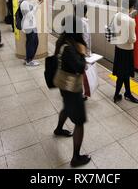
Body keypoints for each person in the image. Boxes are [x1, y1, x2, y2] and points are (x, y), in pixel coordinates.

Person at [53, 15, 91, 167]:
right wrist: (82, 53)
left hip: (63, 83)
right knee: (79, 122)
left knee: (66, 107)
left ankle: (58, 129)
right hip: (71, 87)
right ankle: (76, 158)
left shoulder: (63, 41)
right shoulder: (70, 48)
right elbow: (80, 67)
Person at [112, 0, 138, 104]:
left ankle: (127, 93)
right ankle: (116, 95)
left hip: (118, 49)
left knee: (123, 73)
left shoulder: (116, 15)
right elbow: (132, 39)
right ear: (132, 6)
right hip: (127, 51)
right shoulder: (130, 20)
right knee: (123, 74)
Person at [19, 0, 43, 66]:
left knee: (33, 42)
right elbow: (29, 15)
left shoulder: (27, 1)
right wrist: (37, 6)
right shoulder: (24, 3)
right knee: (32, 43)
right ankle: (29, 61)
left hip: (32, 25)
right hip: (29, 26)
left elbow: (31, 12)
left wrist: (37, 4)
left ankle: (28, 58)